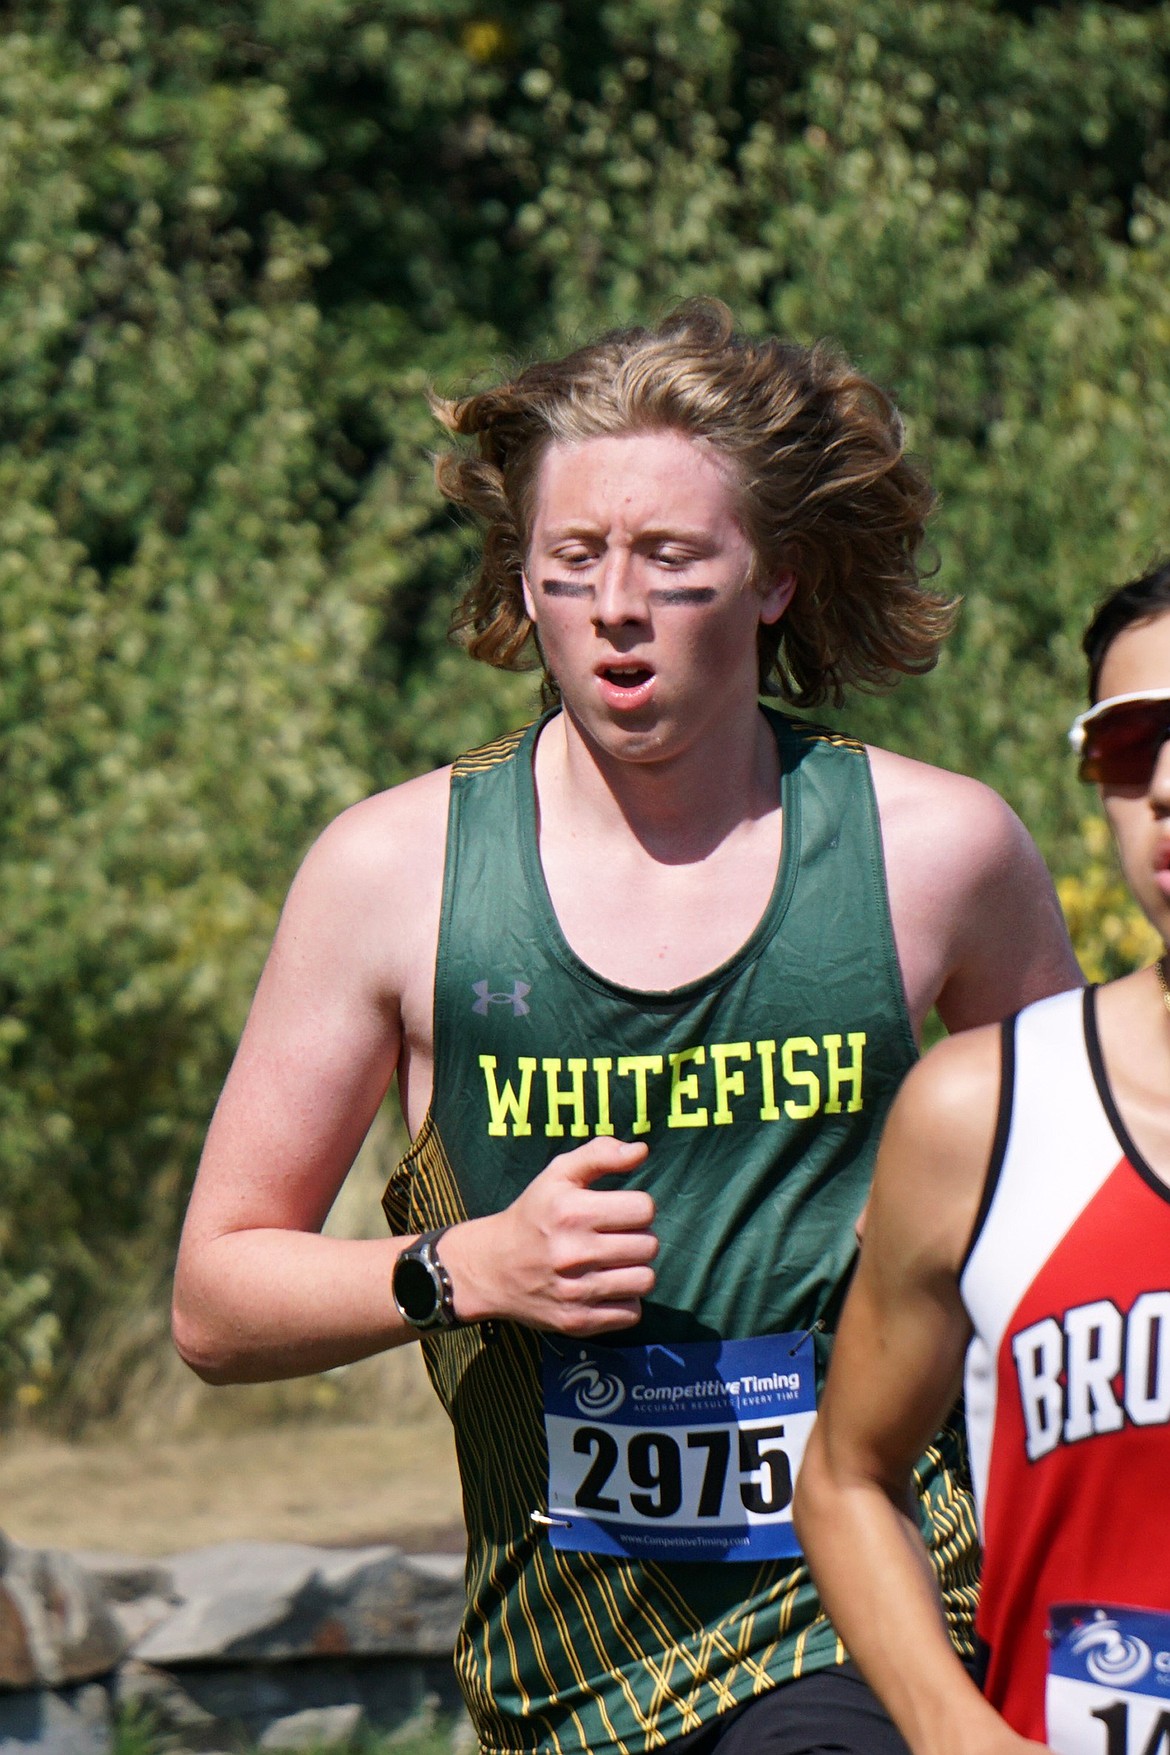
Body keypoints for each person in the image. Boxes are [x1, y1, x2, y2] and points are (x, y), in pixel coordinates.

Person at [173, 301, 1080, 1755]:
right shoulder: (390, 874)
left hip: (877, 1607)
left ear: (773, 577)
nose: (616, 605)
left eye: (668, 559)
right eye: (574, 560)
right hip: (562, 1662)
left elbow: (1095, 1218)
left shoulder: (936, 852)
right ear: (524, 583)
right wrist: (466, 1262)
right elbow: (215, 1301)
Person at [793, 560, 1170, 1755]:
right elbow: (847, 1477)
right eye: (1125, 747)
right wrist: (955, 1732)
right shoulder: (984, 1115)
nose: (1164, 785)